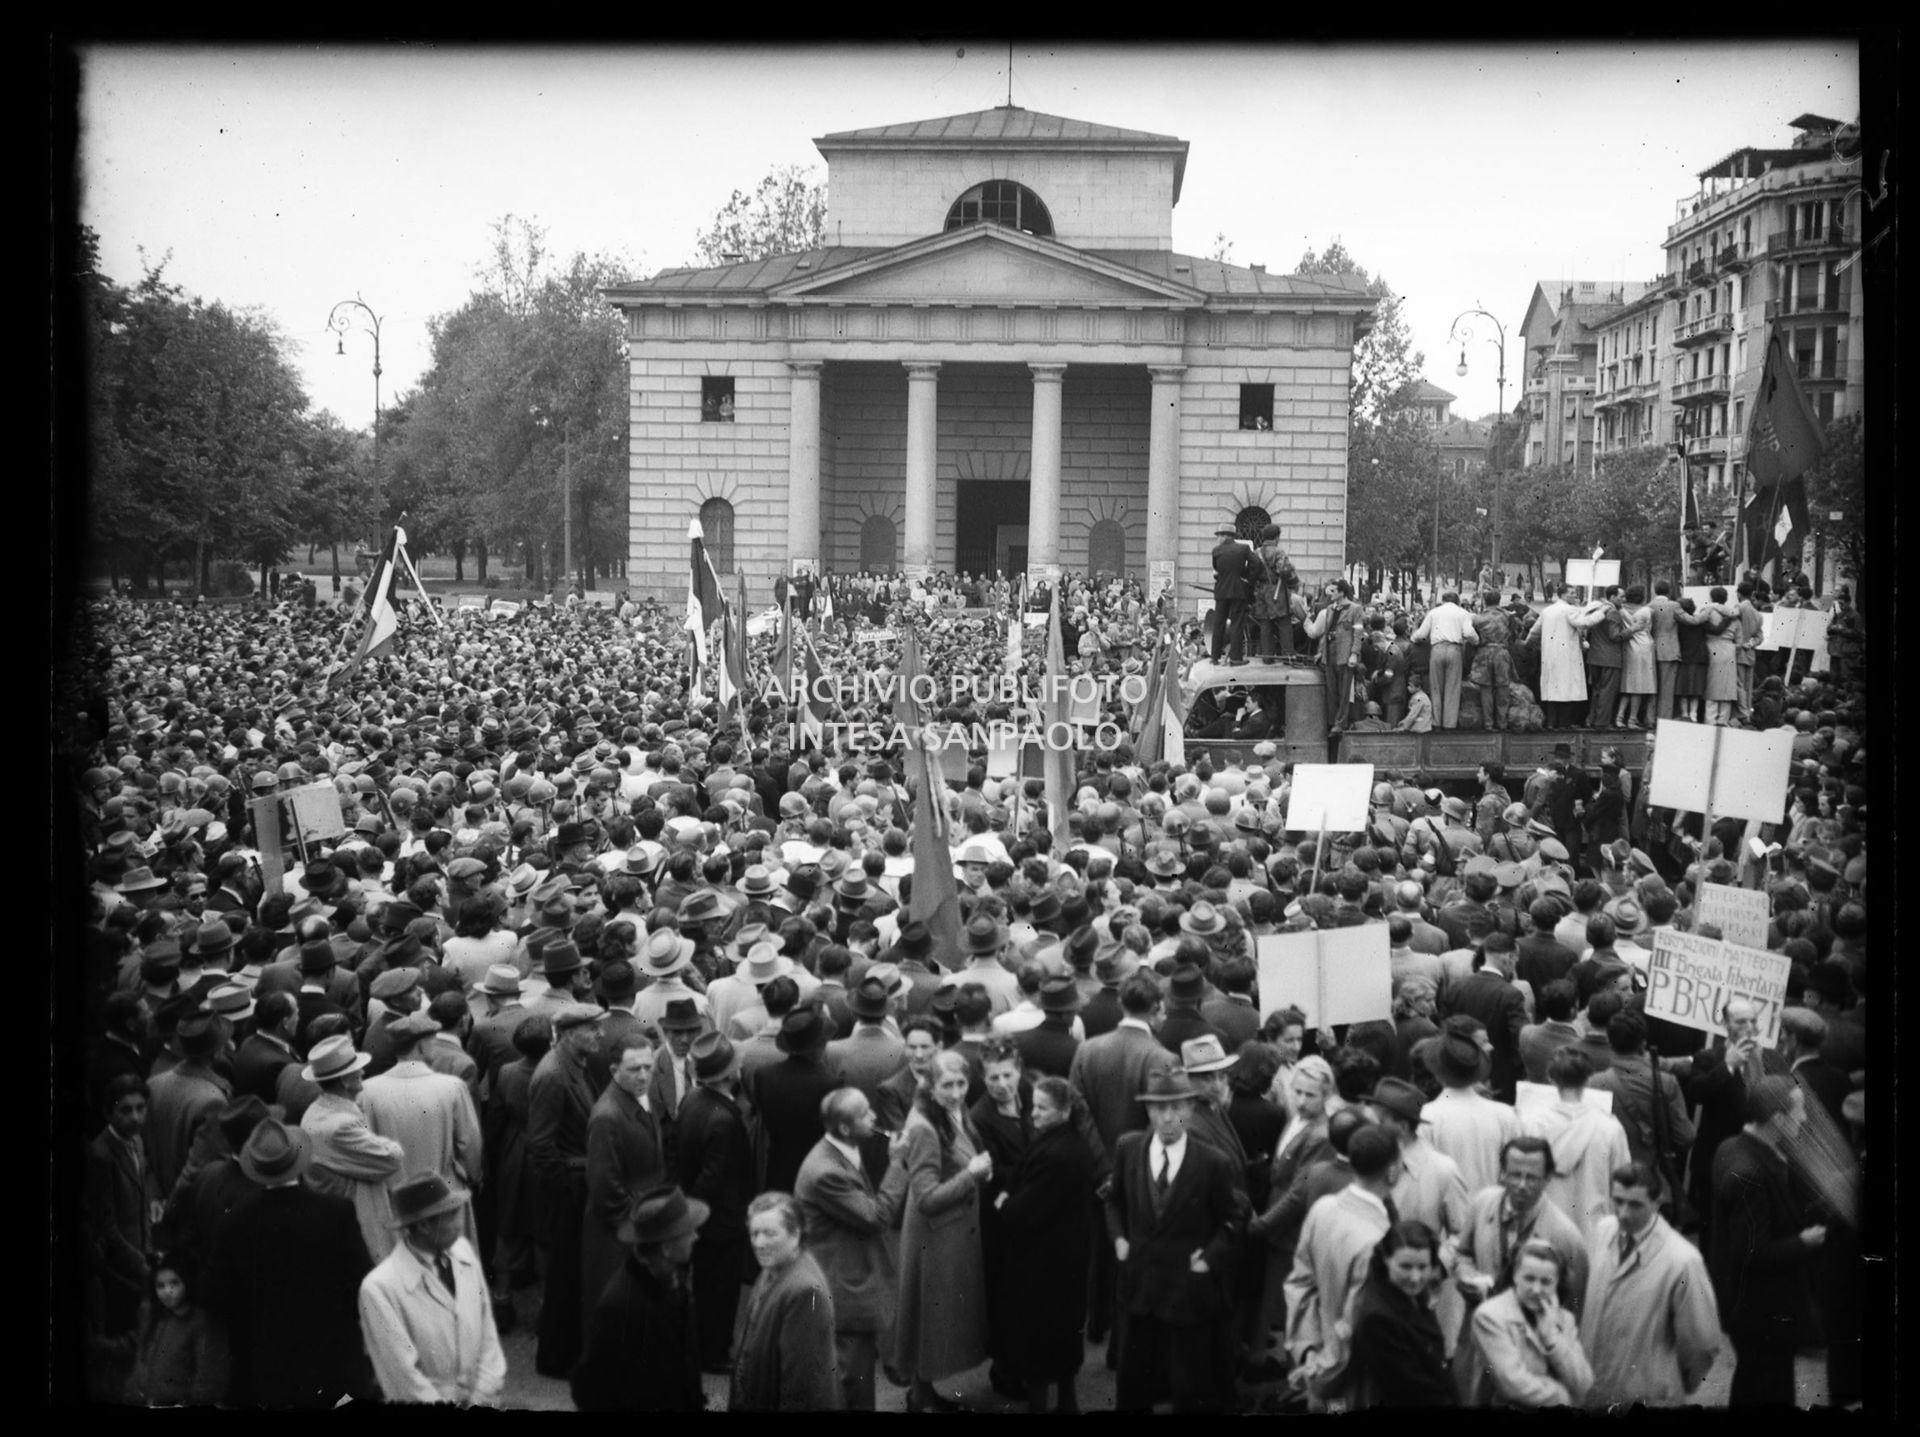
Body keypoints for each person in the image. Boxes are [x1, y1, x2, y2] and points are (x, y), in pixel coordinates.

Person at [204, 1118, 374, 1408]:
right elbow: (362, 1281)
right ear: (298, 1159)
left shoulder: (234, 1223)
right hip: (330, 1358)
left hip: (264, 1364)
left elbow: (217, 1294)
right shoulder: (336, 1213)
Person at [1105, 1068, 1243, 1413]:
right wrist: (1120, 1239)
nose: (1167, 1118)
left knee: (1190, 1386)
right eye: (1157, 1109)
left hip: (1187, 1291)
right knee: (1134, 1385)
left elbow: (1234, 1219)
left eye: (1176, 1108)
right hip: (1139, 1288)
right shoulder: (1128, 1148)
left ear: (1191, 1108)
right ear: (1147, 1111)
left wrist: (1208, 1258)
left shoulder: (1213, 1163)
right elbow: (1112, 1200)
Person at [1708, 1076, 1825, 1407]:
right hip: (1761, 1312)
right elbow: (1752, 1252)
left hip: (1748, 1309)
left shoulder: (1731, 1146)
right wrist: (1806, 1241)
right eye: (1799, 1111)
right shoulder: (1751, 1173)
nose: (1803, 1119)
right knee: (1767, 1390)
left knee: (1755, 1383)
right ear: (1778, 1118)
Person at [794, 1087, 911, 1411]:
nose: (874, 1117)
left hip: (847, 1278)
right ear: (845, 1128)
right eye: (865, 1114)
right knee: (851, 1385)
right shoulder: (825, 1172)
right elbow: (877, 1217)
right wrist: (898, 1163)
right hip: (842, 1290)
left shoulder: (841, 1150)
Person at [894, 1048, 993, 1412]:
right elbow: (926, 1197)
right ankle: (920, 1397)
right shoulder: (922, 1126)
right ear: (929, 1084)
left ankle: (924, 1393)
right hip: (935, 1236)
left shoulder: (949, 1108)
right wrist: (972, 1175)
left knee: (933, 1317)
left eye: (961, 1083)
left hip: (950, 1231)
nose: (956, 1092)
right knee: (929, 1317)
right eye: (947, 1084)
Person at [992, 1074, 1096, 1413]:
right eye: (1032, 1106)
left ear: (1065, 1111)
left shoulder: (1055, 1154)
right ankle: (1067, 1403)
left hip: (1042, 1264)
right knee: (1064, 1339)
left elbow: (1019, 1211)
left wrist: (1005, 1201)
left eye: (1042, 1108)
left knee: (1038, 1345)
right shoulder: (1070, 1142)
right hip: (1065, 1258)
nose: (1032, 1114)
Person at [1578, 1161, 1720, 1408]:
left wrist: (1666, 1384)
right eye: (1618, 1201)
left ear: (1657, 1203)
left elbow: (1702, 1344)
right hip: (1594, 1392)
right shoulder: (1602, 1232)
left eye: (1635, 1205)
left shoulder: (1683, 1260)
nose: (1623, 1213)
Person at [357, 1172, 507, 1405]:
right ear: (425, 1225)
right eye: (452, 1215)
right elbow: (403, 1378)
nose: (460, 1221)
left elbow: (488, 1337)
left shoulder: (464, 1253)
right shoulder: (379, 1288)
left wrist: (481, 1397)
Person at [1284, 1125, 1402, 1409]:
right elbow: (1357, 1325)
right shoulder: (1379, 1240)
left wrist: (1309, 1351)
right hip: (1354, 1380)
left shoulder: (1323, 1208)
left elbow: (1300, 1284)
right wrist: (1322, 1372)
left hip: (1319, 1361)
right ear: (1393, 1170)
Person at [571, 1185, 710, 1412]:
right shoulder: (620, 1307)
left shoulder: (673, 1281)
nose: (696, 1236)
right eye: (688, 1231)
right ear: (666, 1248)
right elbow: (589, 1389)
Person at [528, 1001, 608, 1377]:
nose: (600, 1035)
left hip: (577, 1183)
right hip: (568, 1190)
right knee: (564, 1275)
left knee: (571, 1273)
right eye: (593, 1029)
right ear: (571, 1033)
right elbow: (541, 1144)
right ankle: (557, 1359)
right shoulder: (553, 1075)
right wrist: (564, 1192)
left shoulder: (573, 1064)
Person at [676, 1030, 758, 1373]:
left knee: (707, 1286)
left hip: (705, 1216)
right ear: (728, 1074)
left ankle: (704, 1344)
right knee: (720, 1293)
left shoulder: (693, 1099)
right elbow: (714, 1178)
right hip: (721, 1221)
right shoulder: (723, 1119)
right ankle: (714, 1353)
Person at [581, 1029, 664, 1332]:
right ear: (614, 1071)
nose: (643, 1075)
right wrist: (636, 1229)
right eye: (634, 1069)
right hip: (622, 1230)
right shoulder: (608, 1116)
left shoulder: (637, 1098)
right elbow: (605, 1188)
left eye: (648, 1067)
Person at [728, 1191, 842, 1411]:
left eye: (769, 1233)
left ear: (795, 1234)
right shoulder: (773, 1268)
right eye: (754, 1233)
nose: (759, 1243)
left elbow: (799, 1385)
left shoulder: (804, 1292)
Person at [300, 1033, 406, 1262]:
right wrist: (385, 1141)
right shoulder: (340, 1126)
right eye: (357, 1069)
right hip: (360, 1232)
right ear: (345, 1081)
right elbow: (393, 1158)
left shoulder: (316, 1111)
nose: (363, 1072)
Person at [1463, 1237, 1593, 1407]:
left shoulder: (1564, 1319)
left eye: (1546, 1282)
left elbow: (1583, 1382)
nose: (1536, 1289)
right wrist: (1562, 1397)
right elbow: (1512, 1384)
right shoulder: (1490, 1316)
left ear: (1557, 1284)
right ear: (1515, 1276)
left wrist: (1552, 1338)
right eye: (1529, 1279)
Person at [84, 1074, 165, 1344]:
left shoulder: (137, 1140)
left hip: (141, 1250)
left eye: (141, 1108)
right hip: (119, 1270)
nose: (136, 1117)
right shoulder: (101, 1156)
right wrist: (143, 1266)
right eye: (126, 1110)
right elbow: (106, 1229)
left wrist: (152, 1201)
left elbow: (145, 1174)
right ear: (108, 1113)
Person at [1346, 1220, 1458, 1408]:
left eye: (1423, 1267)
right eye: (1405, 1267)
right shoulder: (1378, 1317)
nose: (1415, 1278)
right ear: (1386, 1259)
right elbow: (1411, 1389)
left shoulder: (1408, 1293)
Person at [1525, 1046, 1632, 1243]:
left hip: (1542, 1230)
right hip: (1594, 1231)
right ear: (1588, 1079)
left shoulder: (1532, 1124)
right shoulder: (1609, 1127)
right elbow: (1624, 1182)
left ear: (1551, 1078)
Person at [117, 1252, 231, 1407]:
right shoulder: (159, 1319)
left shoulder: (202, 1322)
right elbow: (140, 1364)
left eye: (174, 1283)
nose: (167, 1291)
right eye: (160, 1286)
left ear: (188, 1283)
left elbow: (209, 1379)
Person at [1411, 590, 1477, 730]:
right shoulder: (1463, 613)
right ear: (1457, 601)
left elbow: (1422, 634)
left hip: (1437, 649)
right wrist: (1476, 641)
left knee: (1436, 687)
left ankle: (1436, 723)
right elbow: (1469, 633)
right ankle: (1449, 724)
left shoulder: (1433, 612)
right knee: (1452, 688)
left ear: (1443, 600)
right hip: (1455, 650)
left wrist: (1413, 637)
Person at [1209, 528, 1256, 664]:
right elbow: (1256, 563)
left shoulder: (1216, 551)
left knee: (1218, 623)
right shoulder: (1244, 549)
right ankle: (1236, 658)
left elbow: (1217, 569)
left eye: (1218, 535)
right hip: (1238, 590)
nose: (1217, 538)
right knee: (1236, 623)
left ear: (1224, 536)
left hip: (1221, 591)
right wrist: (1247, 578)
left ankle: (1214, 656)